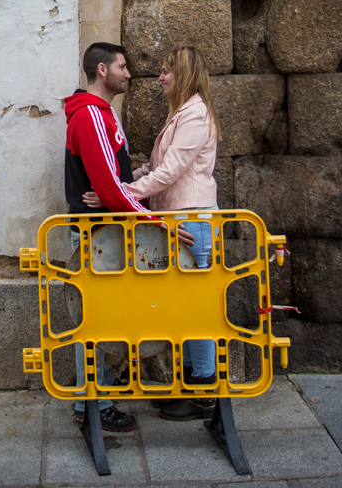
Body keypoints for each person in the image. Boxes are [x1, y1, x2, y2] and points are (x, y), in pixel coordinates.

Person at [63, 43, 194, 432]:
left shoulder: (102, 114)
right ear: (102, 70)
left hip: (105, 232)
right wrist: (160, 223)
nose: (129, 74)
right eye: (123, 67)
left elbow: (112, 182)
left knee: (105, 319)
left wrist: (124, 183)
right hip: (97, 235)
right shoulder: (90, 115)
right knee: (96, 322)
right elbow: (107, 188)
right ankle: (94, 406)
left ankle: (97, 398)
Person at [122, 45, 222, 422]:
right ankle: (191, 384)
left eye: (167, 71)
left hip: (191, 220)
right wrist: (125, 180)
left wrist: (121, 194)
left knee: (197, 310)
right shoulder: (182, 113)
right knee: (184, 307)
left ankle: (203, 393)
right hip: (177, 219)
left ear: (185, 74)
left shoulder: (194, 114)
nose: (160, 78)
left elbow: (171, 172)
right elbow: (156, 166)